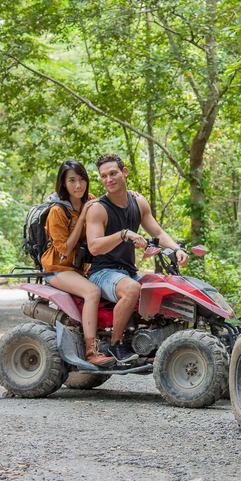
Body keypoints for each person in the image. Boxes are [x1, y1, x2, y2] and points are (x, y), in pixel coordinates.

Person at [86, 153, 189, 363]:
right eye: (103, 176)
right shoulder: (98, 208)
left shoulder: (138, 201)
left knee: (168, 285)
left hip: (128, 272)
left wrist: (177, 249)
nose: (108, 180)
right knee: (132, 288)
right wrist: (123, 234)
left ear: (124, 172)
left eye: (113, 173)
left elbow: (158, 233)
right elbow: (94, 247)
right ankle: (115, 344)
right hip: (102, 273)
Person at [41, 159, 115, 367]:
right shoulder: (57, 211)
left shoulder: (90, 199)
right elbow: (64, 250)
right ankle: (92, 352)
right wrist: (82, 215)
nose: (78, 185)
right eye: (72, 180)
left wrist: (132, 196)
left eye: (81, 179)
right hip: (58, 268)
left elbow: (112, 203)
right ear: (63, 184)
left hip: (80, 268)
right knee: (92, 292)